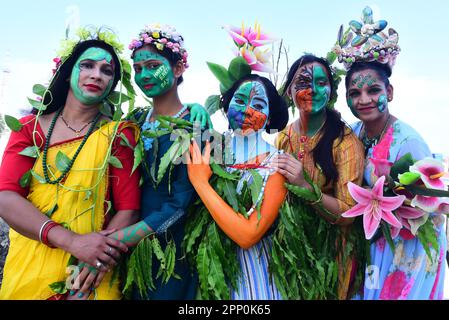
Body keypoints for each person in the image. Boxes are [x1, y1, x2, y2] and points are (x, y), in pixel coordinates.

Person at [69, 23, 212, 300]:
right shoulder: (131, 122)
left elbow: (181, 205)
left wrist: (111, 243)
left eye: (152, 65)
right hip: (120, 242)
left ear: (179, 68)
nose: (143, 75)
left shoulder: (197, 125)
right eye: (137, 68)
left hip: (169, 252)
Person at [0, 28, 140, 300]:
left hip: (89, 274)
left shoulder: (119, 134)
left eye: (107, 71)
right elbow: (5, 196)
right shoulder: (31, 129)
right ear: (67, 71)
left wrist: (95, 261)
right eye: (87, 65)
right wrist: (72, 242)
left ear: (113, 85)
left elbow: (129, 210)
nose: (96, 75)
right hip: (30, 267)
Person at [335, 6, 447, 299]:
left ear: (390, 92)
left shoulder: (409, 142)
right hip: (369, 248)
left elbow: (433, 205)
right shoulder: (351, 134)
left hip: (407, 253)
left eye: (373, 91)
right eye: (355, 93)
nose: (364, 100)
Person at [187, 73, 289, 299]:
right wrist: (193, 107)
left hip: (256, 277)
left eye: (259, 104)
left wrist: (200, 182)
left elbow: (248, 236)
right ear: (227, 105)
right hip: (208, 272)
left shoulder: (277, 165)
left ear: (270, 118)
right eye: (240, 101)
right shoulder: (209, 147)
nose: (247, 111)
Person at [274, 54, 365, 299]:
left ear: (331, 92)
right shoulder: (282, 138)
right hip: (291, 251)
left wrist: (305, 186)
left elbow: (348, 211)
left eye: (321, 83)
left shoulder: (346, 143)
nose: (312, 89)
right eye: (302, 82)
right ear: (289, 91)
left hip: (330, 256)